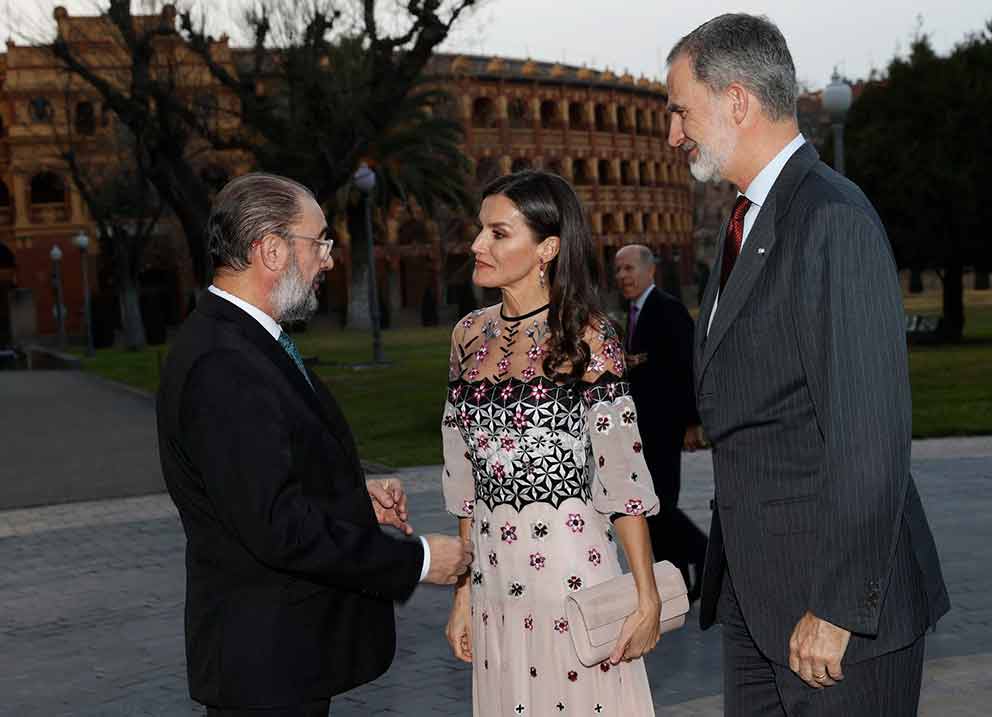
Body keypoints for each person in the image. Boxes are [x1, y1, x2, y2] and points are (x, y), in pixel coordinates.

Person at [665, 14, 950, 716]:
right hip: (756, 603)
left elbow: (870, 432)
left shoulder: (831, 218)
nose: (673, 134)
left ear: (737, 100)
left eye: (679, 110)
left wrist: (839, 605)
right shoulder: (749, 221)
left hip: (834, 616)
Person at [156, 172, 473, 716]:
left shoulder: (244, 339)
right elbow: (276, 527)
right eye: (320, 241)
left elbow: (261, 476)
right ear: (272, 250)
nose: (329, 258)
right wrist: (416, 561)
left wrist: (351, 495)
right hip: (266, 668)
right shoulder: (224, 362)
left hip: (280, 657)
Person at [441, 170, 661, 716]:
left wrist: (646, 594)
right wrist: (463, 593)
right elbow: (462, 477)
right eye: (479, 230)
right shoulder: (468, 335)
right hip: (493, 578)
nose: (477, 245)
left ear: (548, 248)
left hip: (570, 575)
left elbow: (622, 475)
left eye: (497, 233)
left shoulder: (588, 335)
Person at [614, 244, 708, 600]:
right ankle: (678, 581)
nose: (623, 276)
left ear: (650, 270)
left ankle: (705, 554)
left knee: (660, 506)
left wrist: (690, 423)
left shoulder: (667, 309)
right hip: (642, 430)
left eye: (629, 269)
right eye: (618, 270)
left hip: (666, 427)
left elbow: (689, 368)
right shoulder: (633, 312)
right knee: (652, 507)